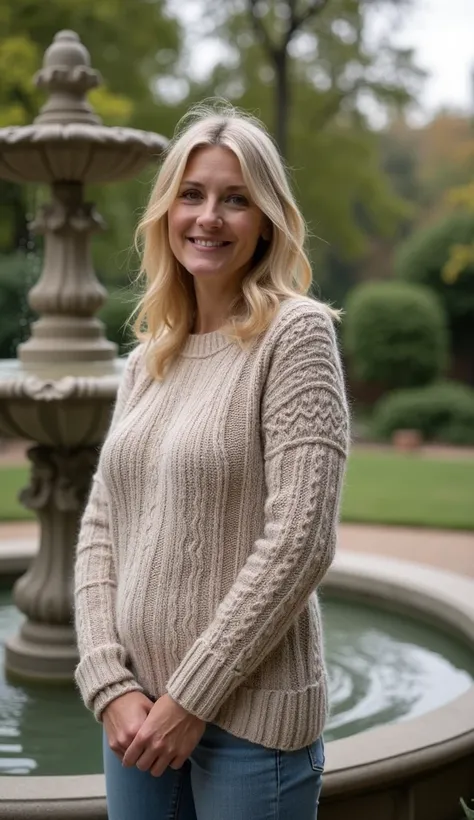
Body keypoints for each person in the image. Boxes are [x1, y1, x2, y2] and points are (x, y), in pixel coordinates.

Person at [74, 102, 349, 820]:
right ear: (166, 212)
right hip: (135, 720)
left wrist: (190, 698)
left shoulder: (297, 337)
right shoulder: (147, 361)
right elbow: (103, 526)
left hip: (250, 724)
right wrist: (108, 679)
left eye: (236, 200)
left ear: (266, 220)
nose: (209, 217)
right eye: (191, 195)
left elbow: (301, 539)